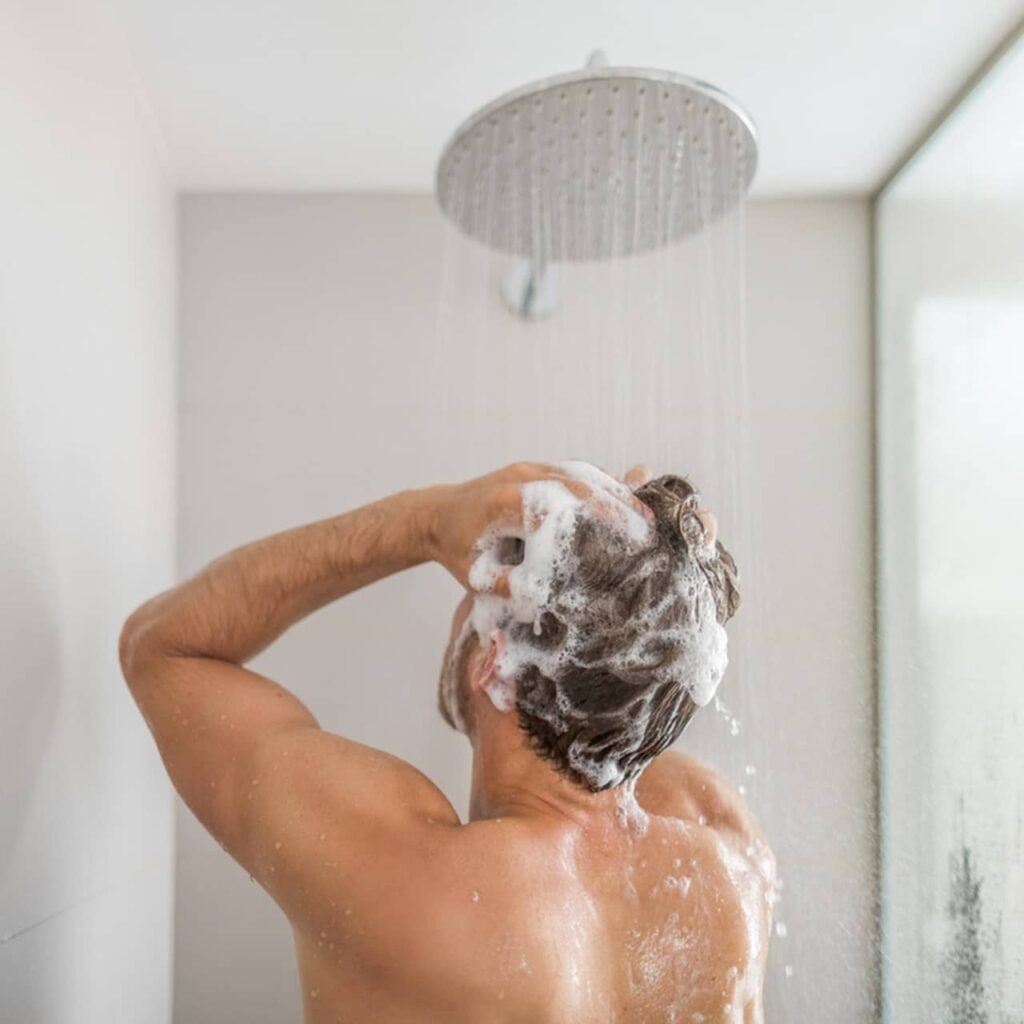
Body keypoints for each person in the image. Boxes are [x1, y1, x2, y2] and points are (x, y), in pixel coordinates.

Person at [119, 461, 775, 1023]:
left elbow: (164, 648)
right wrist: (651, 574)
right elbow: (631, 694)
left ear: (494, 662)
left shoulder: (404, 871)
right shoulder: (721, 854)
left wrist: (426, 522)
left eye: (471, 594)